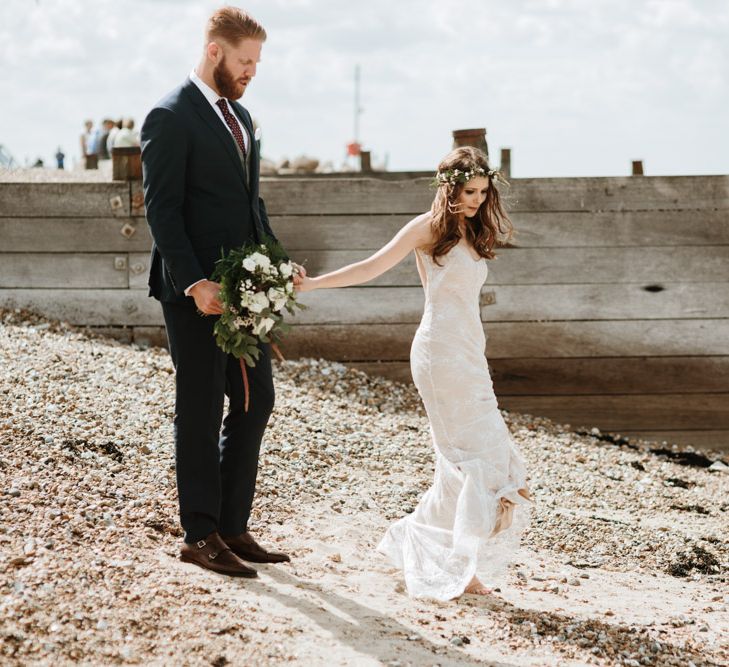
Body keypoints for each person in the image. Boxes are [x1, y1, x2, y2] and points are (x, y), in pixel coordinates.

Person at [297, 147, 533, 600]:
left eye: (484, 192)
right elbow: (371, 266)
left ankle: (422, 542)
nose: (477, 200)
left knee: (481, 458)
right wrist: (314, 283)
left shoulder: (471, 229)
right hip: (439, 355)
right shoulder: (427, 228)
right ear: (449, 188)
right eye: (469, 192)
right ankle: (455, 561)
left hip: (468, 355)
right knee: (472, 459)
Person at [141, 6, 303, 578]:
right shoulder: (169, 115)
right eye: (245, 60)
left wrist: (279, 265)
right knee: (202, 407)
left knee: (256, 401)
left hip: (245, 292)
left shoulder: (243, 118)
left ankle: (233, 526)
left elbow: (249, 205)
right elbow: (161, 208)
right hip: (195, 293)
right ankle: (199, 533)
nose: (252, 71)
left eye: (256, 62)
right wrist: (193, 282)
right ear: (215, 51)